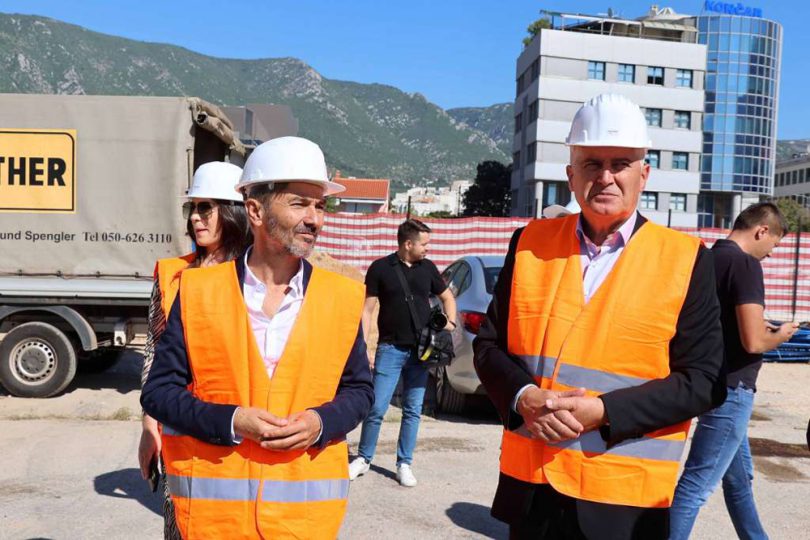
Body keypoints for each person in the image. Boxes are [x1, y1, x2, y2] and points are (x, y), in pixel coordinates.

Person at [473, 93, 726, 540]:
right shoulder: (529, 243)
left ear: (643, 174)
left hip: (624, 500)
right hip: (533, 491)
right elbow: (489, 346)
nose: (605, 177)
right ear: (571, 176)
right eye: (592, 163)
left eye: (620, 163)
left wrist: (604, 411)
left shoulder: (686, 259)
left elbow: (704, 381)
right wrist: (523, 396)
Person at [141, 136, 374, 539]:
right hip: (215, 525)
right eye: (299, 203)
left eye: (320, 206)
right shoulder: (197, 292)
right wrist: (231, 420)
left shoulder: (341, 297)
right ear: (255, 210)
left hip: (302, 525)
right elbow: (159, 393)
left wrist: (320, 423)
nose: (315, 219)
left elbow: (360, 391)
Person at [670, 202, 798, 539]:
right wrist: (782, 334)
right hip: (733, 389)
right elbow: (754, 342)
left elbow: (719, 322)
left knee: (739, 480)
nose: (770, 254)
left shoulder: (708, 259)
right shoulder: (745, 264)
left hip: (707, 381)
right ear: (761, 231)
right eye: (773, 245)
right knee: (696, 485)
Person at [137, 161, 250, 539]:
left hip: (235, 426)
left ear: (233, 212)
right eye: (193, 208)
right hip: (178, 421)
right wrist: (148, 425)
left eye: (206, 208)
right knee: (180, 521)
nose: (196, 218)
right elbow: (153, 351)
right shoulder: (172, 274)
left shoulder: (254, 278)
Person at [348, 219, 457, 487]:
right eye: (424, 244)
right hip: (390, 349)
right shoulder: (380, 268)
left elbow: (447, 297)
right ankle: (363, 458)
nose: (428, 249)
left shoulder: (428, 268)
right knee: (377, 407)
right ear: (408, 244)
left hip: (421, 352)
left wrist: (451, 324)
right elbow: (367, 310)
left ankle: (404, 463)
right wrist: (364, 346)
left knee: (412, 410)